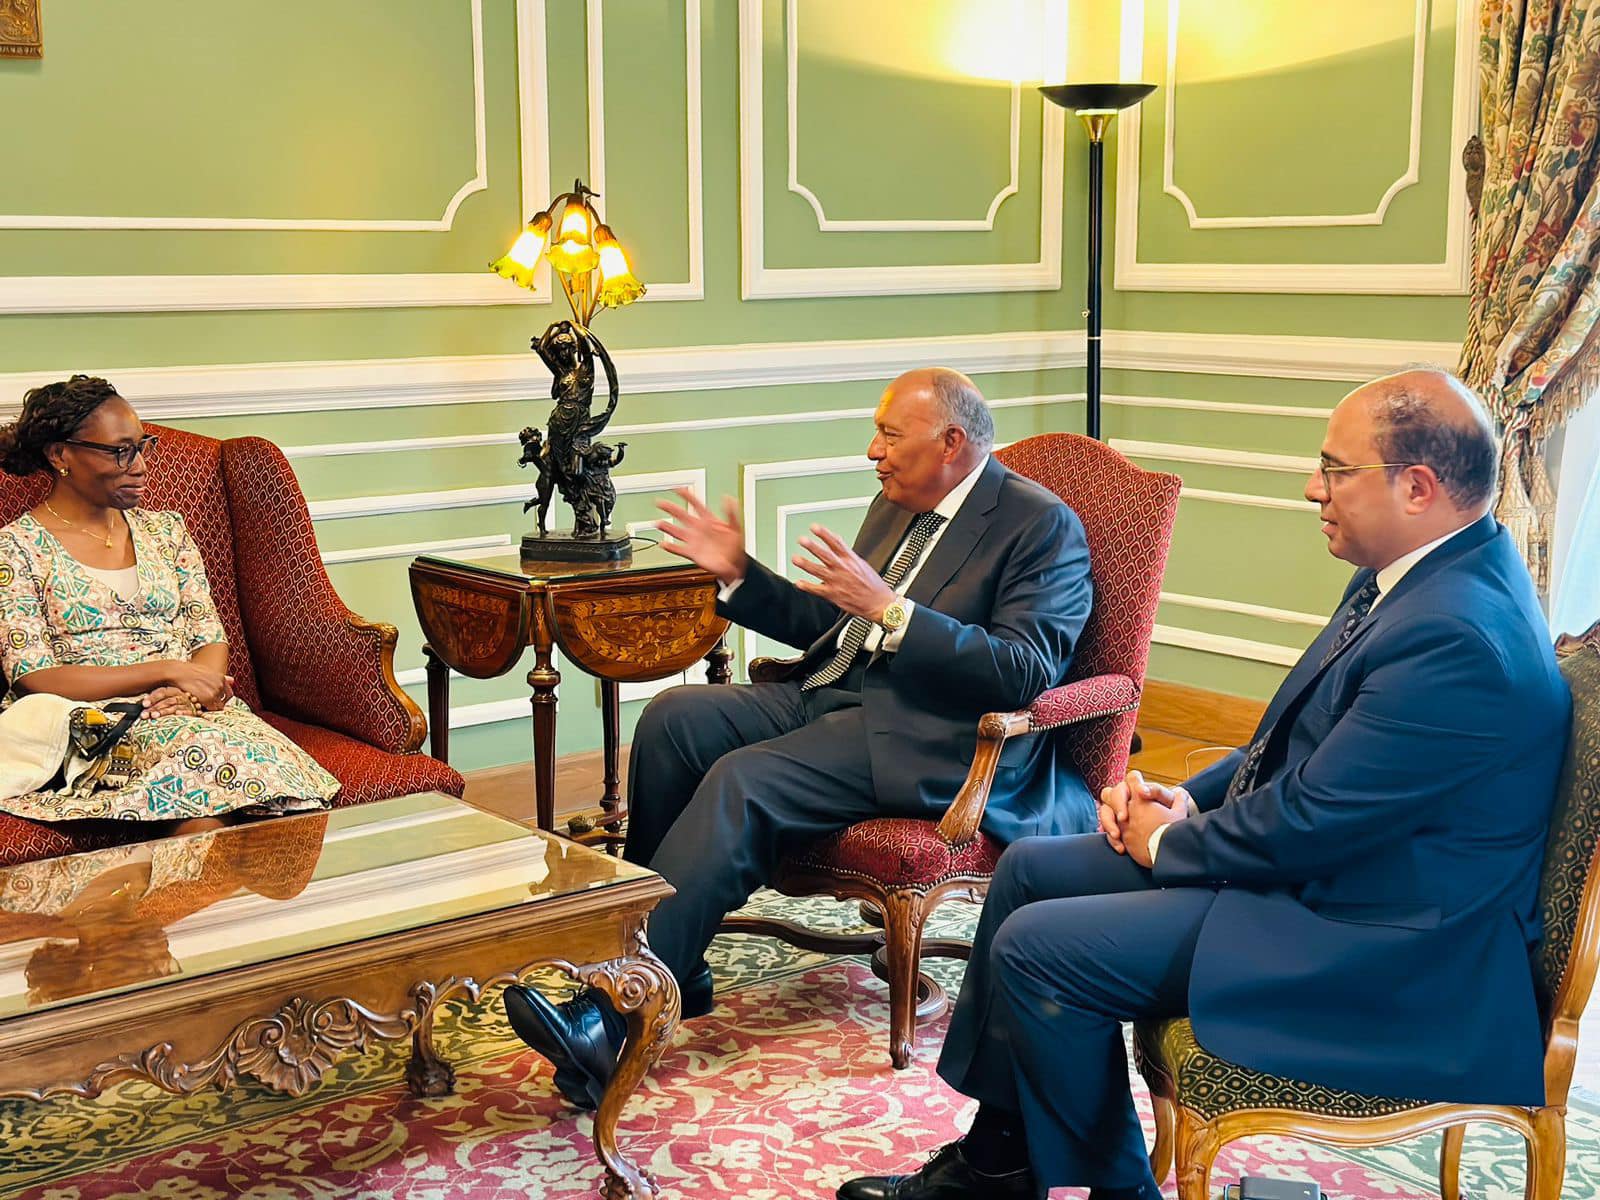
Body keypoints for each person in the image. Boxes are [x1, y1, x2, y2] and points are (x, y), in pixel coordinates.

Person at [835, 368, 1572, 1200]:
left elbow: (1315, 820)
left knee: (1039, 951)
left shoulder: (1459, 636)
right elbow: (1300, 743)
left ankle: (1121, 1193)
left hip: (1384, 940)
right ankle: (1001, 1162)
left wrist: (1169, 841)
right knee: (1030, 873)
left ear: (1418, 487)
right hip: (1339, 879)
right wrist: (1188, 800)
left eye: (1334, 470)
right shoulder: (1421, 574)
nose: (1312, 488)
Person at [502, 366, 1097, 1110]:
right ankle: (672, 963)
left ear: (951, 442)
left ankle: (615, 1017)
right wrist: (739, 573)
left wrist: (894, 613)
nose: (873, 451)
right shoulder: (900, 504)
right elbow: (837, 627)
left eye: (889, 434)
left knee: (745, 781)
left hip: (933, 736)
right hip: (837, 695)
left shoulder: (1040, 526)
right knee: (674, 720)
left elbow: (1024, 670)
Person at [0, 375, 339, 829]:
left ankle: (135, 875)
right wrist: (167, 672)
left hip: (188, 714)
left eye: (142, 447)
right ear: (61, 454)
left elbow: (208, 636)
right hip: (95, 725)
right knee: (213, 791)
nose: (140, 466)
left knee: (274, 800)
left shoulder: (167, 532)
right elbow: (35, 677)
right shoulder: (16, 549)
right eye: (120, 451)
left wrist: (190, 694)